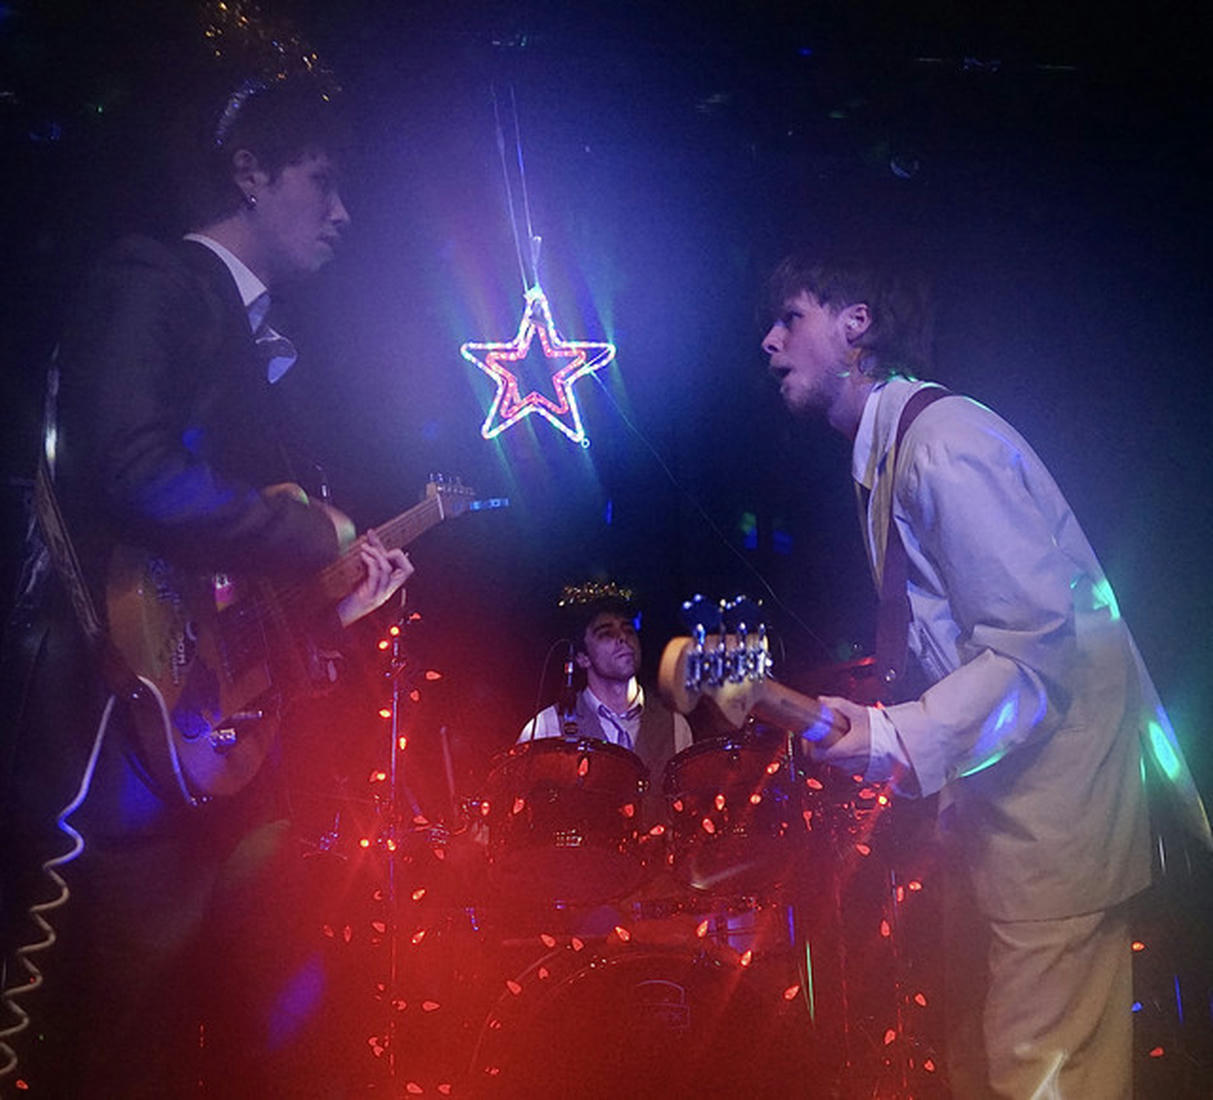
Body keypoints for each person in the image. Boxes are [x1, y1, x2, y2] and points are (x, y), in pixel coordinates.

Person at [0, 79, 410, 1097]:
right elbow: (132, 468)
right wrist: (310, 530)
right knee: (116, 1033)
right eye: (322, 181)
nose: (344, 213)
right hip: (109, 724)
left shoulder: (263, 343)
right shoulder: (156, 279)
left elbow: (224, 576)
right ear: (250, 173)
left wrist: (326, 598)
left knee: (207, 1026)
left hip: (196, 747)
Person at [758, 248, 1211, 1097]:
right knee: (979, 1065)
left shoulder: (943, 443)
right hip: (1006, 811)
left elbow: (1031, 648)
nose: (769, 340)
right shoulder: (898, 449)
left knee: (1038, 1079)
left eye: (791, 316)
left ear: (856, 323)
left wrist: (894, 735)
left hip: (1053, 826)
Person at [517, 588, 693, 776]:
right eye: (606, 633)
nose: (623, 638)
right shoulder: (547, 727)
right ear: (583, 658)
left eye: (628, 630)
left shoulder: (675, 725)